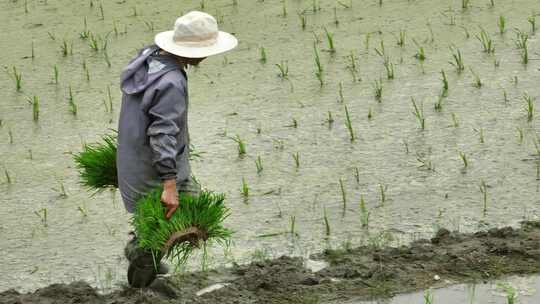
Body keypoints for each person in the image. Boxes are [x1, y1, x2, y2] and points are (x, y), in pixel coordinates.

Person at [116, 11, 237, 289]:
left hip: (135, 159)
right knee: (163, 228)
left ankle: (141, 252)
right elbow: (162, 133)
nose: (207, 57)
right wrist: (168, 184)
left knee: (190, 203)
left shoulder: (150, 58)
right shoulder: (171, 82)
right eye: (206, 50)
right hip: (154, 168)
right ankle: (142, 283)